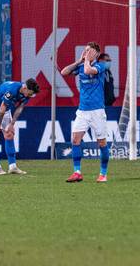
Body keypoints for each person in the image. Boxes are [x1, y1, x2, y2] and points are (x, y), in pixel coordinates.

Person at [61, 42, 110, 183]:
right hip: (82, 111)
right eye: (85, 50)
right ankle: (77, 172)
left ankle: (103, 174)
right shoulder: (81, 66)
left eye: (89, 51)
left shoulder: (100, 66)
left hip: (97, 111)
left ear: (96, 54)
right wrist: (79, 61)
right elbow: (64, 72)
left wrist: (87, 61)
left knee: (102, 143)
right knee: (75, 140)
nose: (86, 52)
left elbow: (89, 71)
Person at [0, 78, 39, 175]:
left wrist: (12, 124)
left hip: (5, 110)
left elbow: (20, 108)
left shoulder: (27, 93)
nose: (30, 96)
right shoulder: (12, 90)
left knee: (9, 134)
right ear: (25, 88)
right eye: (30, 93)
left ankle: (12, 167)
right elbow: (2, 107)